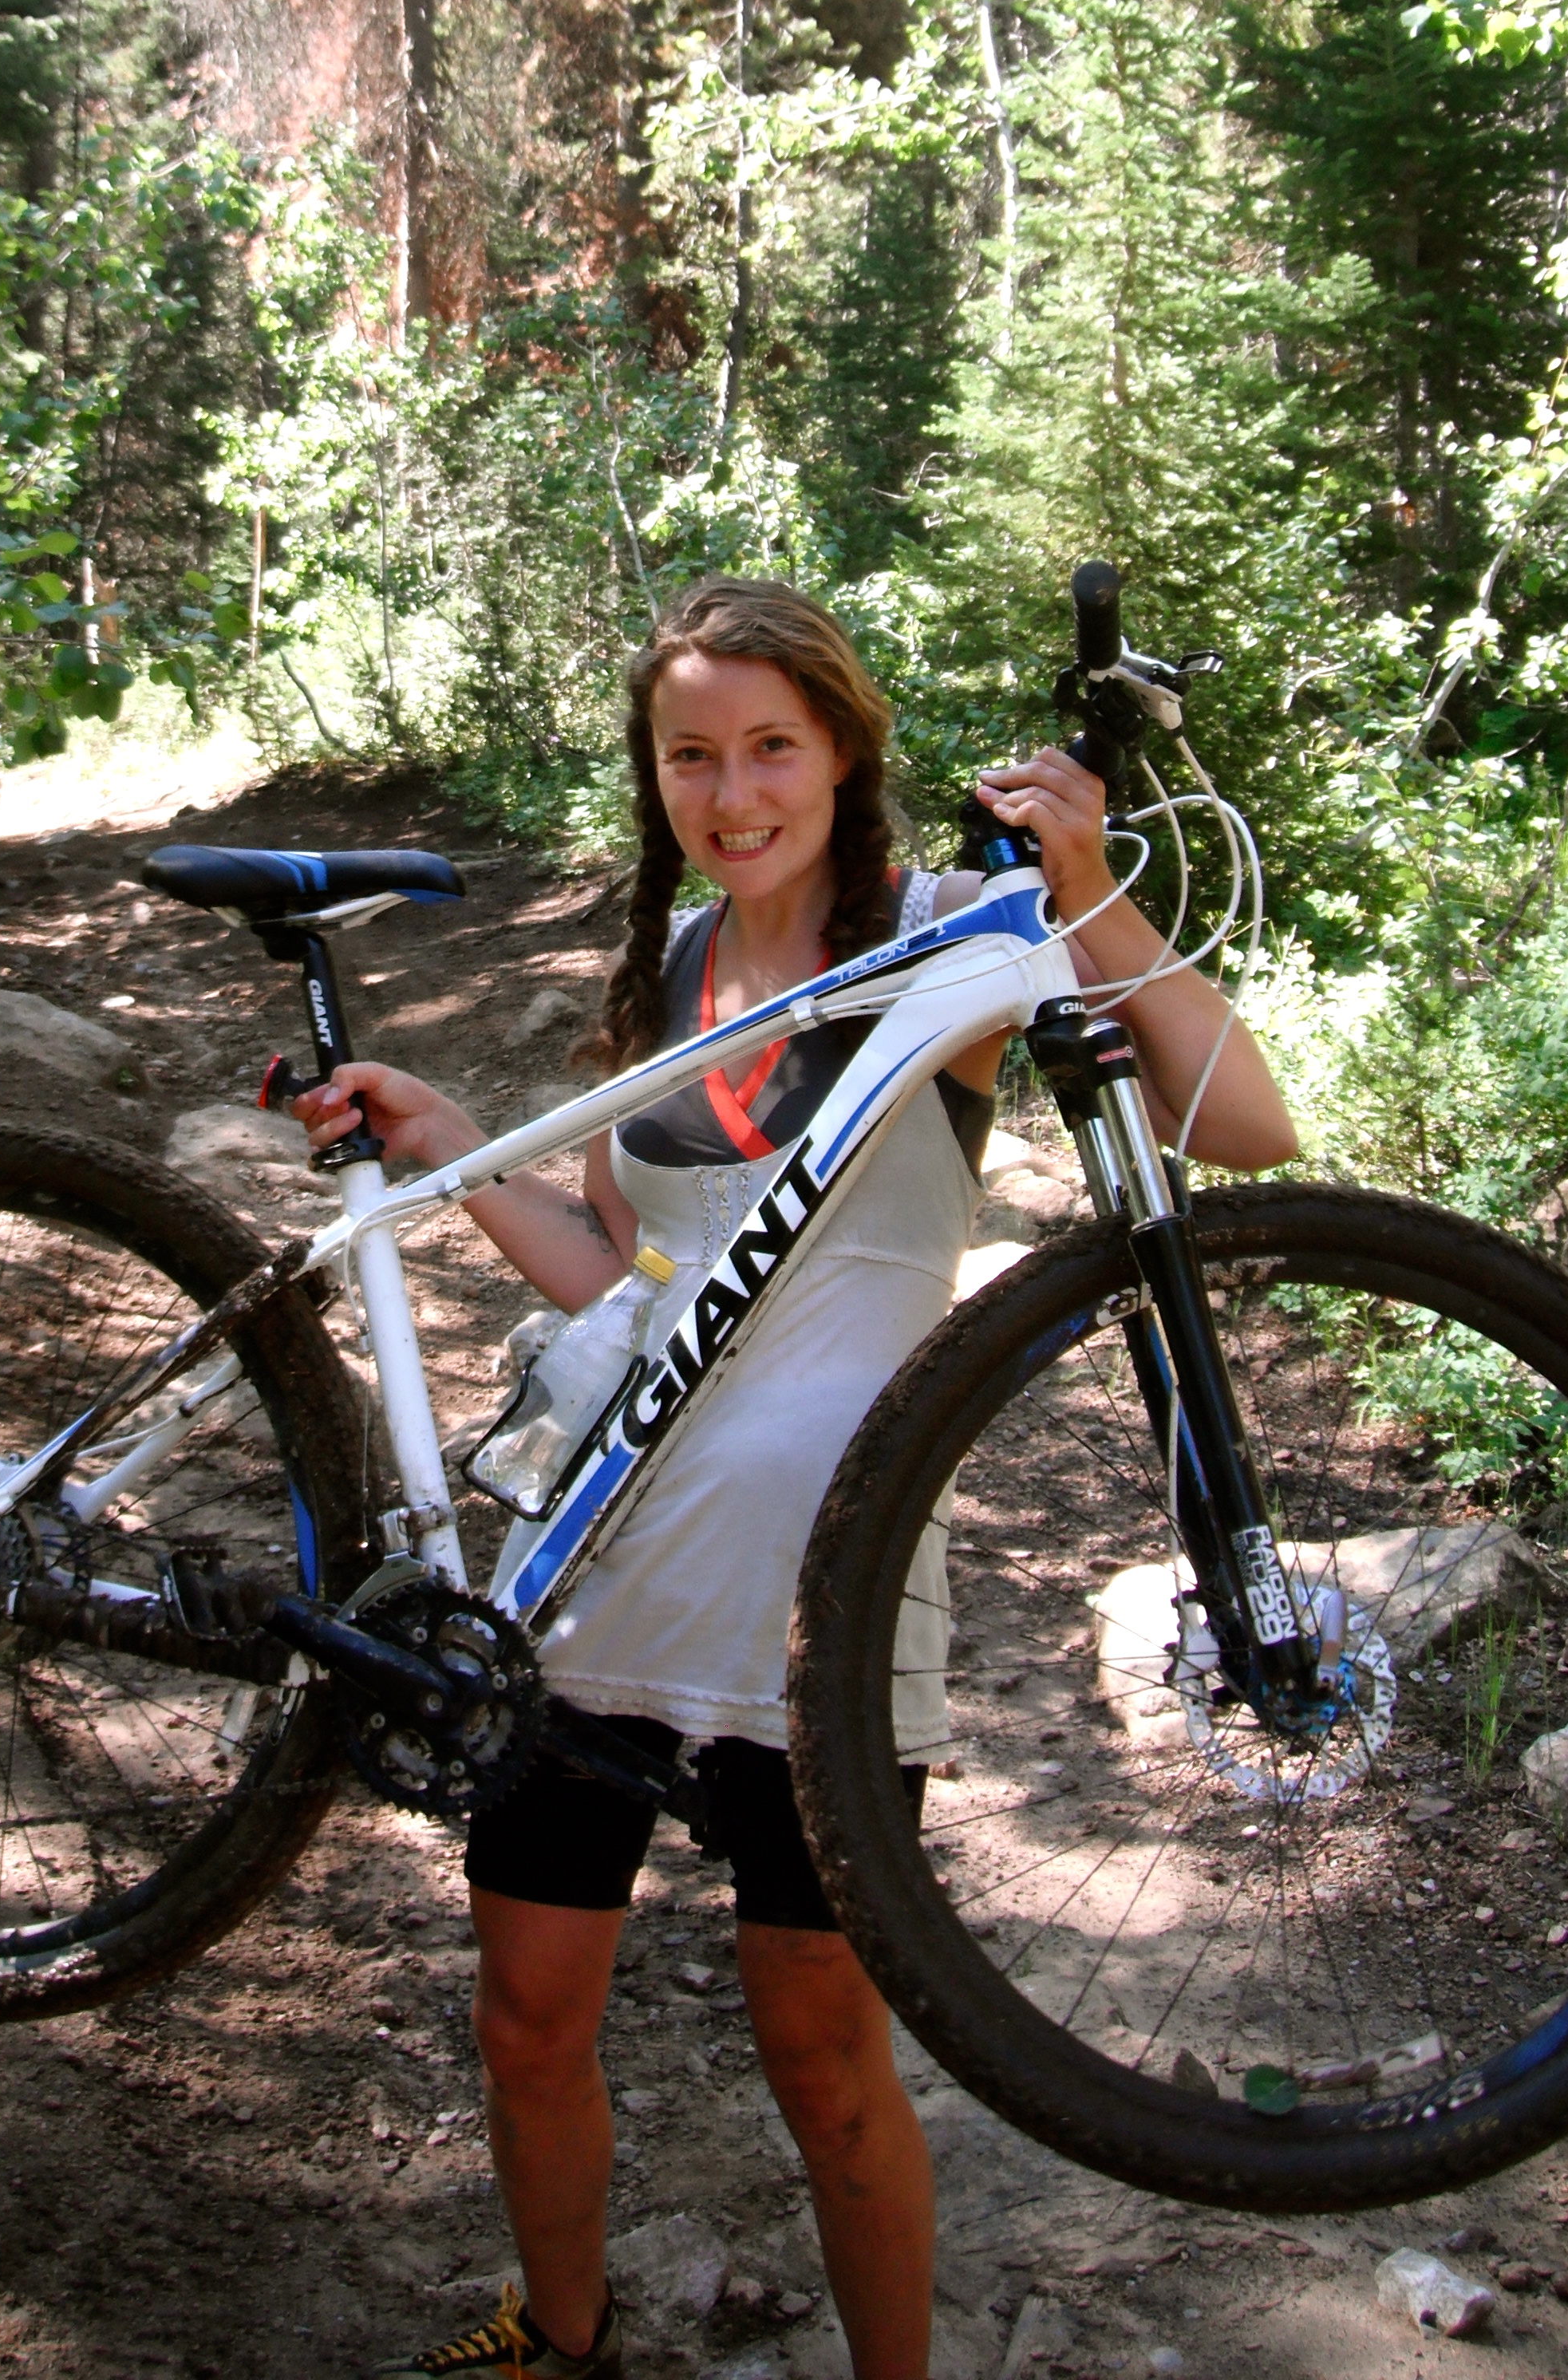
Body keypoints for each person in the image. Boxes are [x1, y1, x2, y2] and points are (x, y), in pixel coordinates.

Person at [294, 578, 1297, 2380]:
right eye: (691, 754)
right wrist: (451, 1144)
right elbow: (627, 1284)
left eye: (771, 746)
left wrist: (1088, 881)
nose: (732, 789)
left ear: (843, 754)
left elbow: (1242, 1125)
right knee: (527, 2016)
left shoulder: (943, 940)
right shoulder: (668, 968)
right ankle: (559, 2337)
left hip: (828, 1596)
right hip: (598, 1569)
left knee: (825, 2061)